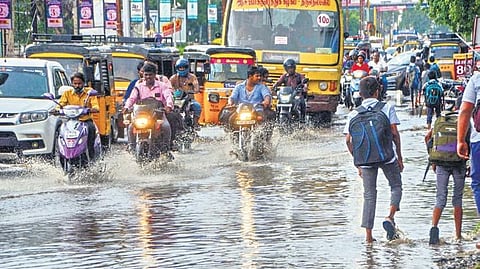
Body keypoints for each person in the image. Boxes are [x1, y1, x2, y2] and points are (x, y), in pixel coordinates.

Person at [344, 76, 404, 243]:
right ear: (378, 91)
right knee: (396, 186)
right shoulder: (387, 107)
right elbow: (394, 134)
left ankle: (369, 237)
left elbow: (348, 140)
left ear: (360, 94)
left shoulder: (354, 114)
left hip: (365, 159)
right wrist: (399, 156)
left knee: (369, 195)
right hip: (387, 156)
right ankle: (390, 217)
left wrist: (358, 163)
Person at [425, 126, 467, 244]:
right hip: (459, 162)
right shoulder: (463, 121)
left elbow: (427, 137)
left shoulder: (441, 120)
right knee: (457, 198)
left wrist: (433, 157)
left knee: (440, 197)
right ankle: (458, 236)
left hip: (441, 162)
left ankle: (434, 227)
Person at [123, 62, 174, 155]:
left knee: (166, 126)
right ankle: (132, 148)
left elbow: (168, 96)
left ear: (155, 75)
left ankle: (166, 150)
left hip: (157, 114)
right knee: (131, 127)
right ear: (143, 75)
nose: (148, 77)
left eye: (150, 75)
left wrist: (169, 106)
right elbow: (132, 98)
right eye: (146, 75)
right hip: (141, 115)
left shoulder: (162, 86)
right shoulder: (138, 87)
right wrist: (127, 107)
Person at [457, 73, 480, 248]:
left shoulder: (477, 79)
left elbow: (465, 110)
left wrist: (460, 140)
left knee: (478, 183)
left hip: (478, 140)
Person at [57, 72, 100, 160]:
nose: (77, 86)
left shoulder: (89, 92)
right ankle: (62, 155)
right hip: (70, 122)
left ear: (84, 83)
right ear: (72, 83)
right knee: (60, 131)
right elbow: (60, 104)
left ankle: (92, 158)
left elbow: (96, 106)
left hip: (85, 121)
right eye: (75, 83)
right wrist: (56, 109)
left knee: (91, 130)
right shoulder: (67, 93)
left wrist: (90, 109)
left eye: (79, 83)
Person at [169, 58, 202, 129]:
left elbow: (196, 87)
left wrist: (194, 91)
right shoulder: (173, 78)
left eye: (183, 67)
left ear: (187, 67)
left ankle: (195, 124)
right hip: (176, 100)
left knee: (197, 106)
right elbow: (168, 87)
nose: (182, 69)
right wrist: (173, 92)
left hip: (189, 99)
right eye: (180, 68)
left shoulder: (192, 77)